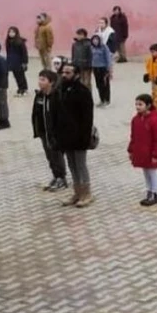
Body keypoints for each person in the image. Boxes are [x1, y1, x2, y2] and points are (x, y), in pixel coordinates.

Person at [53, 64, 95, 207]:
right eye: (63, 72)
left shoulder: (83, 91)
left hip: (79, 136)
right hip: (66, 135)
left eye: (68, 72)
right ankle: (77, 193)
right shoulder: (61, 89)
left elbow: (88, 118)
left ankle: (86, 193)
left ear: (76, 74)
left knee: (80, 165)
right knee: (71, 165)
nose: (64, 75)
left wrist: (85, 137)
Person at [128, 93, 157, 207]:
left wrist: (156, 155)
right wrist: (131, 150)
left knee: (153, 173)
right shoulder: (136, 120)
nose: (137, 107)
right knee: (146, 172)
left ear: (148, 105)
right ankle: (149, 191)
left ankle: (156, 193)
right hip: (141, 153)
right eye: (136, 104)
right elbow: (133, 136)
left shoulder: (154, 120)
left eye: (140, 104)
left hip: (151, 153)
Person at [32, 70, 67, 191]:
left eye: (43, 80)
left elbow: (61, 115)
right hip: (43, 132)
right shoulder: (40, 95)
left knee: (57, 155)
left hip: (54, 133)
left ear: (51, 82)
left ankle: (62, 178)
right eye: (39, 79)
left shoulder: (56, 96)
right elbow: (36, 113)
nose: (40, 82)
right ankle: (55, 175)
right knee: (49, 156)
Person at [90, 34, 114, 107]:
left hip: (103, 69)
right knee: (98, 85)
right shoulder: (91, 48)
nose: (95, 41)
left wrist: (109, 69)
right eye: (94, 40)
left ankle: (107, 100)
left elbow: (108, 59)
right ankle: (102, 99)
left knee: (105, 85)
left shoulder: (104, 47)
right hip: (95, 68)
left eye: (96, 40)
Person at [4, 26, 29, 97]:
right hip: (12, 62)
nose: (11, 34)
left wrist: (24, 62)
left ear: (16, 33)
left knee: (21, 76)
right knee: (16, 76)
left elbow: (24, 53)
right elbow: (8, 52)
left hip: (19, 62)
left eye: (12, 32)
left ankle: (24, 88)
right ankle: (20, 88)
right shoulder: (8, 41)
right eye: (9, 32)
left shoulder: (20, 42)